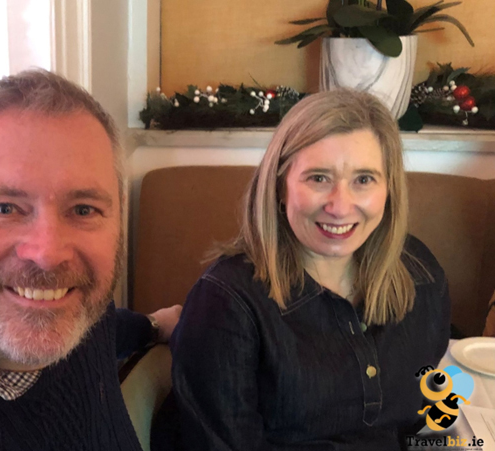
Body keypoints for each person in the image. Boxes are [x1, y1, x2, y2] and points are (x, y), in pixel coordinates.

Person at [0, 69, 181, 451]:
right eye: (4, 208)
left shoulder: (78, 305)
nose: (48, 255)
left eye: (83, 209)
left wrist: (154, 325)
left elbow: (105, 327)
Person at [168, 90, 451, 450]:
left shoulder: (420, 273)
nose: (340, 206)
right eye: (318, 178)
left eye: (364, 179)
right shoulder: (226, 302)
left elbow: (424, 419)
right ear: (280, 187)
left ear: (389, 189)